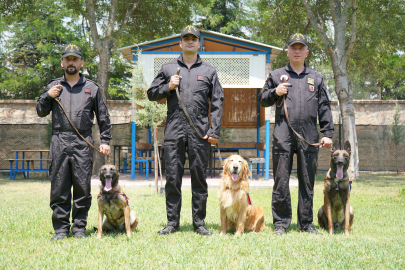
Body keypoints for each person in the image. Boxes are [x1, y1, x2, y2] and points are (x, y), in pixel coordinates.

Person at [148, 25, 224, 236]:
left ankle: (199, 223)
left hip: (199, 131)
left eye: (194, 38)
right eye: (186, 38)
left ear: (200, 43)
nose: (190, 41)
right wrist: (168, 87)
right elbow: (151, 93)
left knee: (199, 178)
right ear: (180, 43)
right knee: (173, 177)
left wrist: (214, 130)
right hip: (174, 129)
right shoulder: (167, 68)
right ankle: (172, 223)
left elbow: (218, 102)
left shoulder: (209, 71)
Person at [258, 33, 334, 235]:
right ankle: (281, 224)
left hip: (309, 134)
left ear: (307, 52)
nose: (297, 51)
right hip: (283, 133)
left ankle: (306, 223)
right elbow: (262, 99)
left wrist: (327, 133)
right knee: (281, 180)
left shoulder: (316, 78)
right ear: (288, 52)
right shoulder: (276, 75)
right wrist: (276, 92)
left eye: (301, 48)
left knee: (307, 179)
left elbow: (324, 107)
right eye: (294, 48)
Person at [36, 43, 112, 241]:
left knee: (82, 187)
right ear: (62, 62)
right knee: (59, 186)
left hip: (83, 142)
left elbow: (103, 116)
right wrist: (47, 96)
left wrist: (105, 140)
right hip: (59, 140)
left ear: (81, 63)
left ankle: (79, 229)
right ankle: (61, 230)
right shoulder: (53, 86)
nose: (71, 62)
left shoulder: (91, 88)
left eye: (75, 59)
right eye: (67, 59)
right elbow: (40, 110)